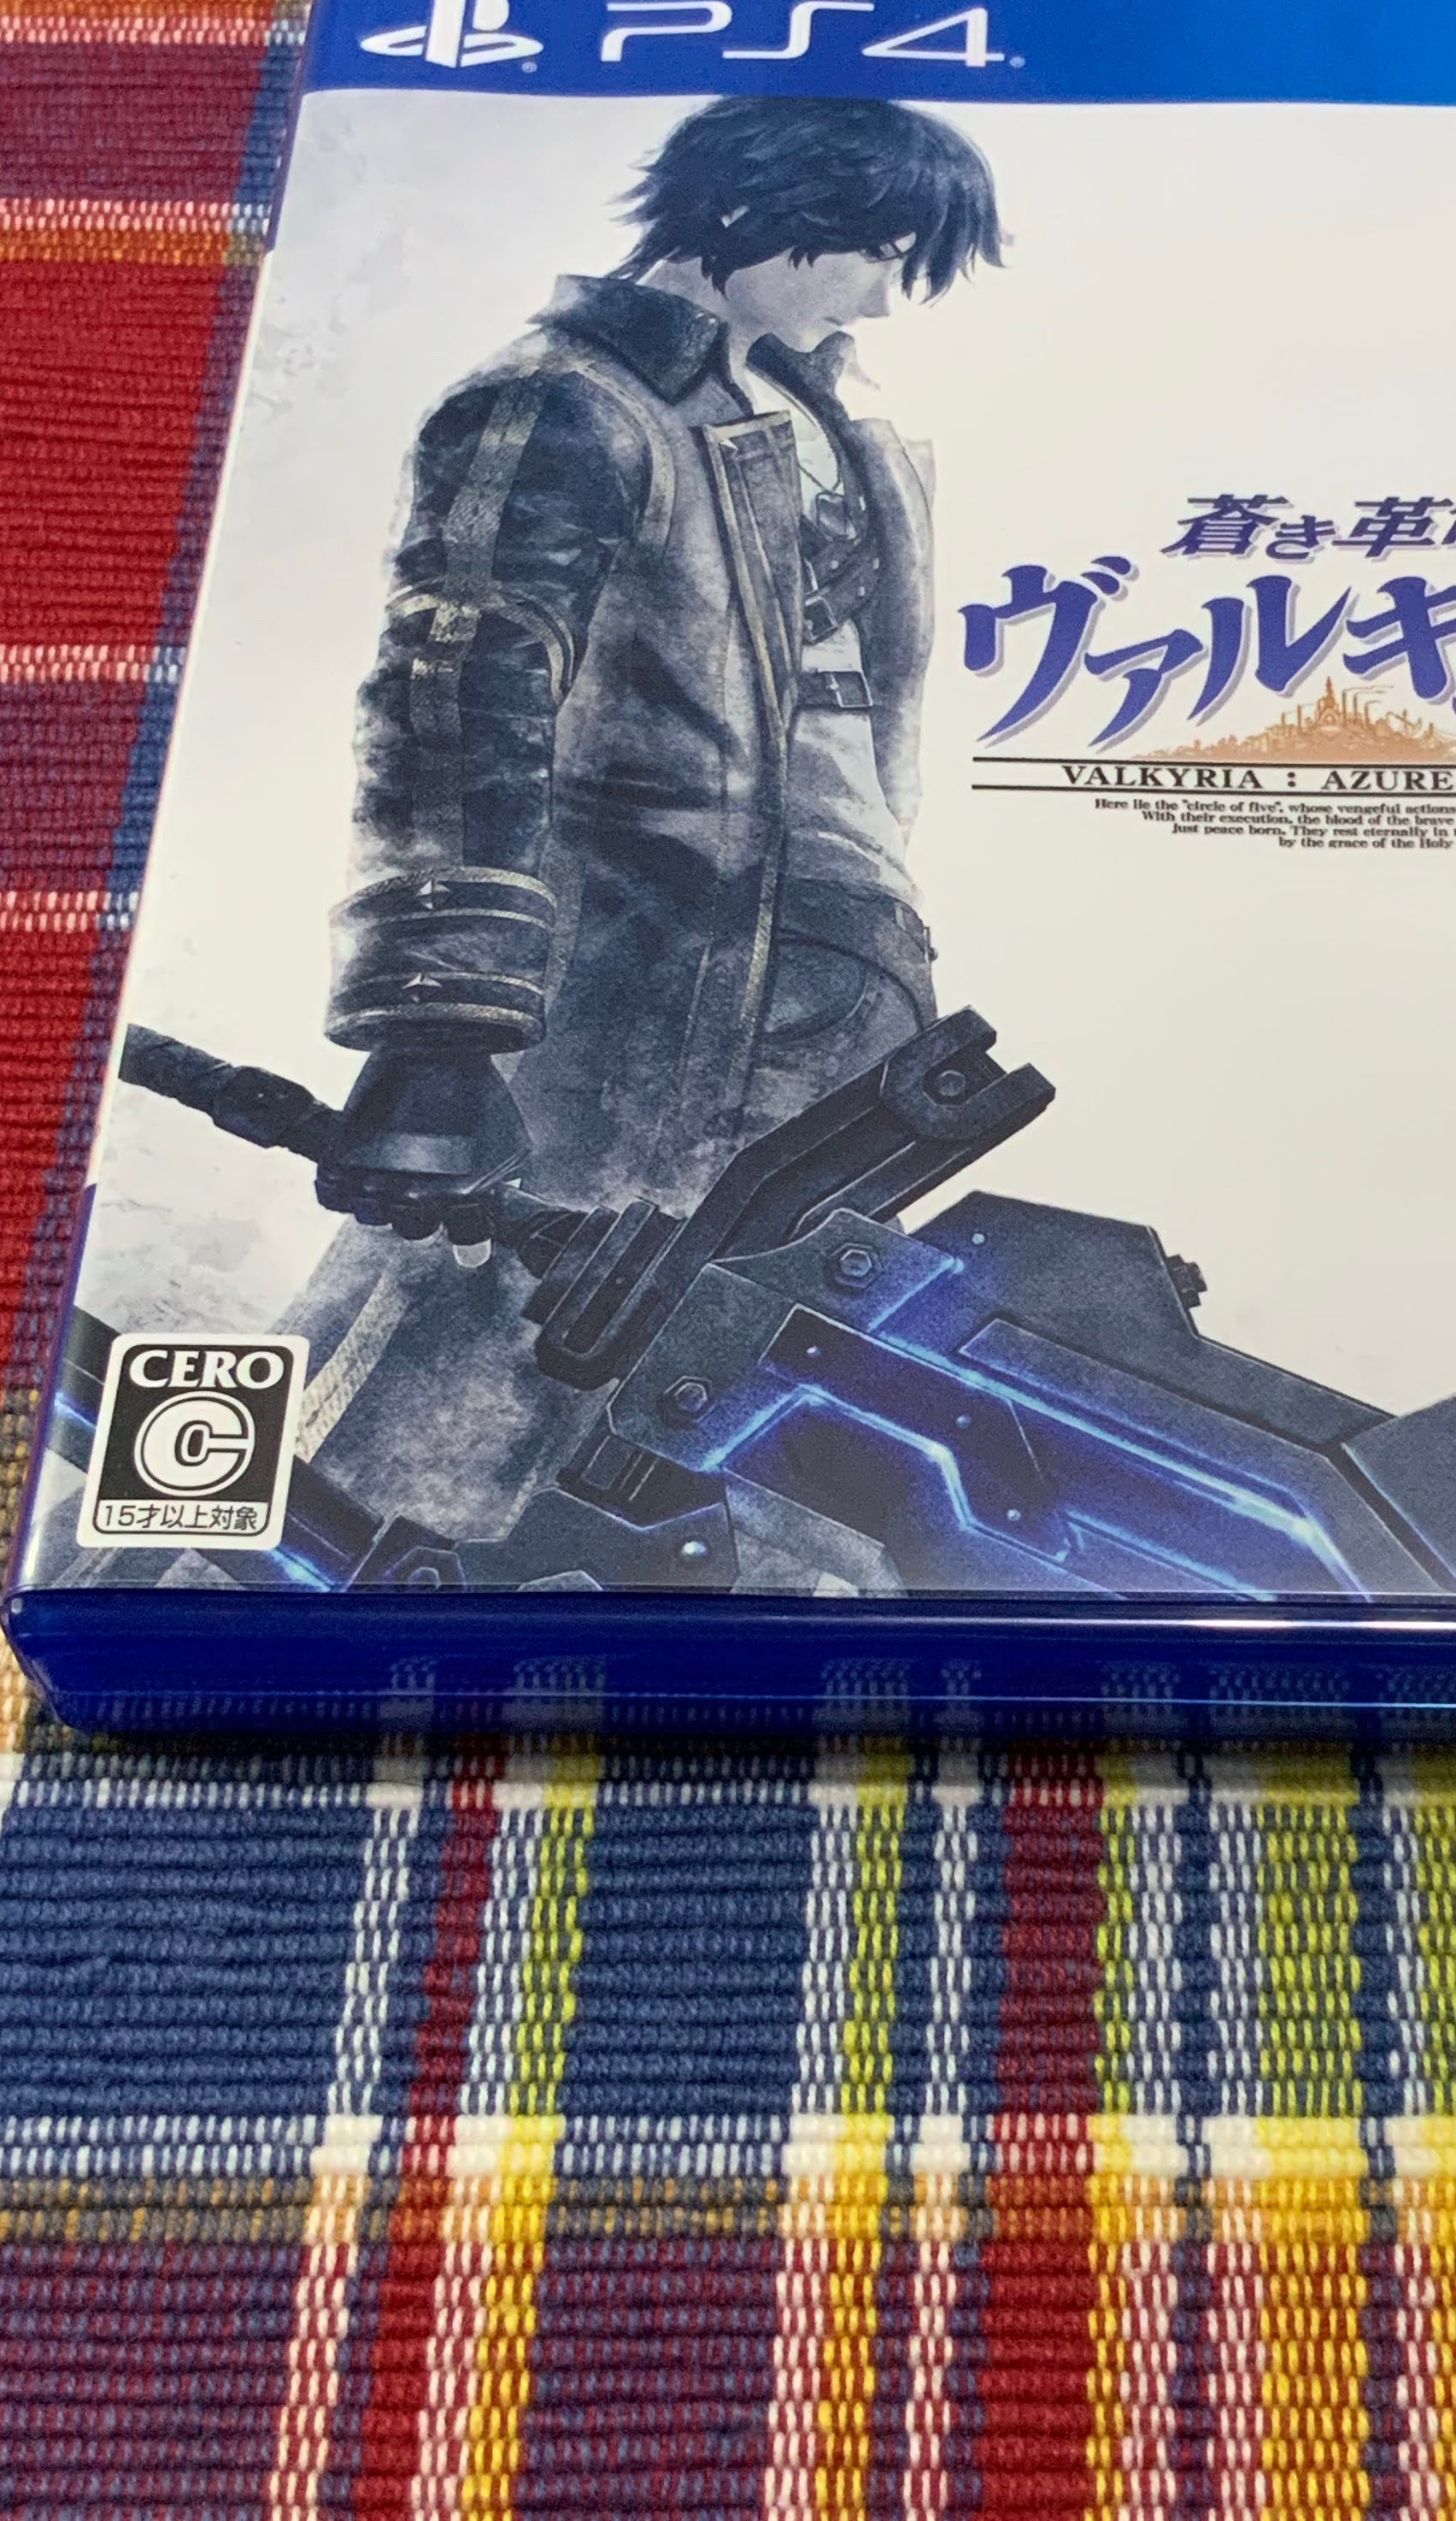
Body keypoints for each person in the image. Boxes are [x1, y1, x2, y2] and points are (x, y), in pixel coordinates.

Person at [278, 92, 1005, 1539]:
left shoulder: (847, 429)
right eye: (872, 254)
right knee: (445, 1371)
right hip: (635, 981)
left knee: (745, 1417)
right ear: (751, 216)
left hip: (843, 984)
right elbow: (460, 686)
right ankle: (231, 1609)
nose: (884, 299)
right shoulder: (568, 403)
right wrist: (442, 1020)